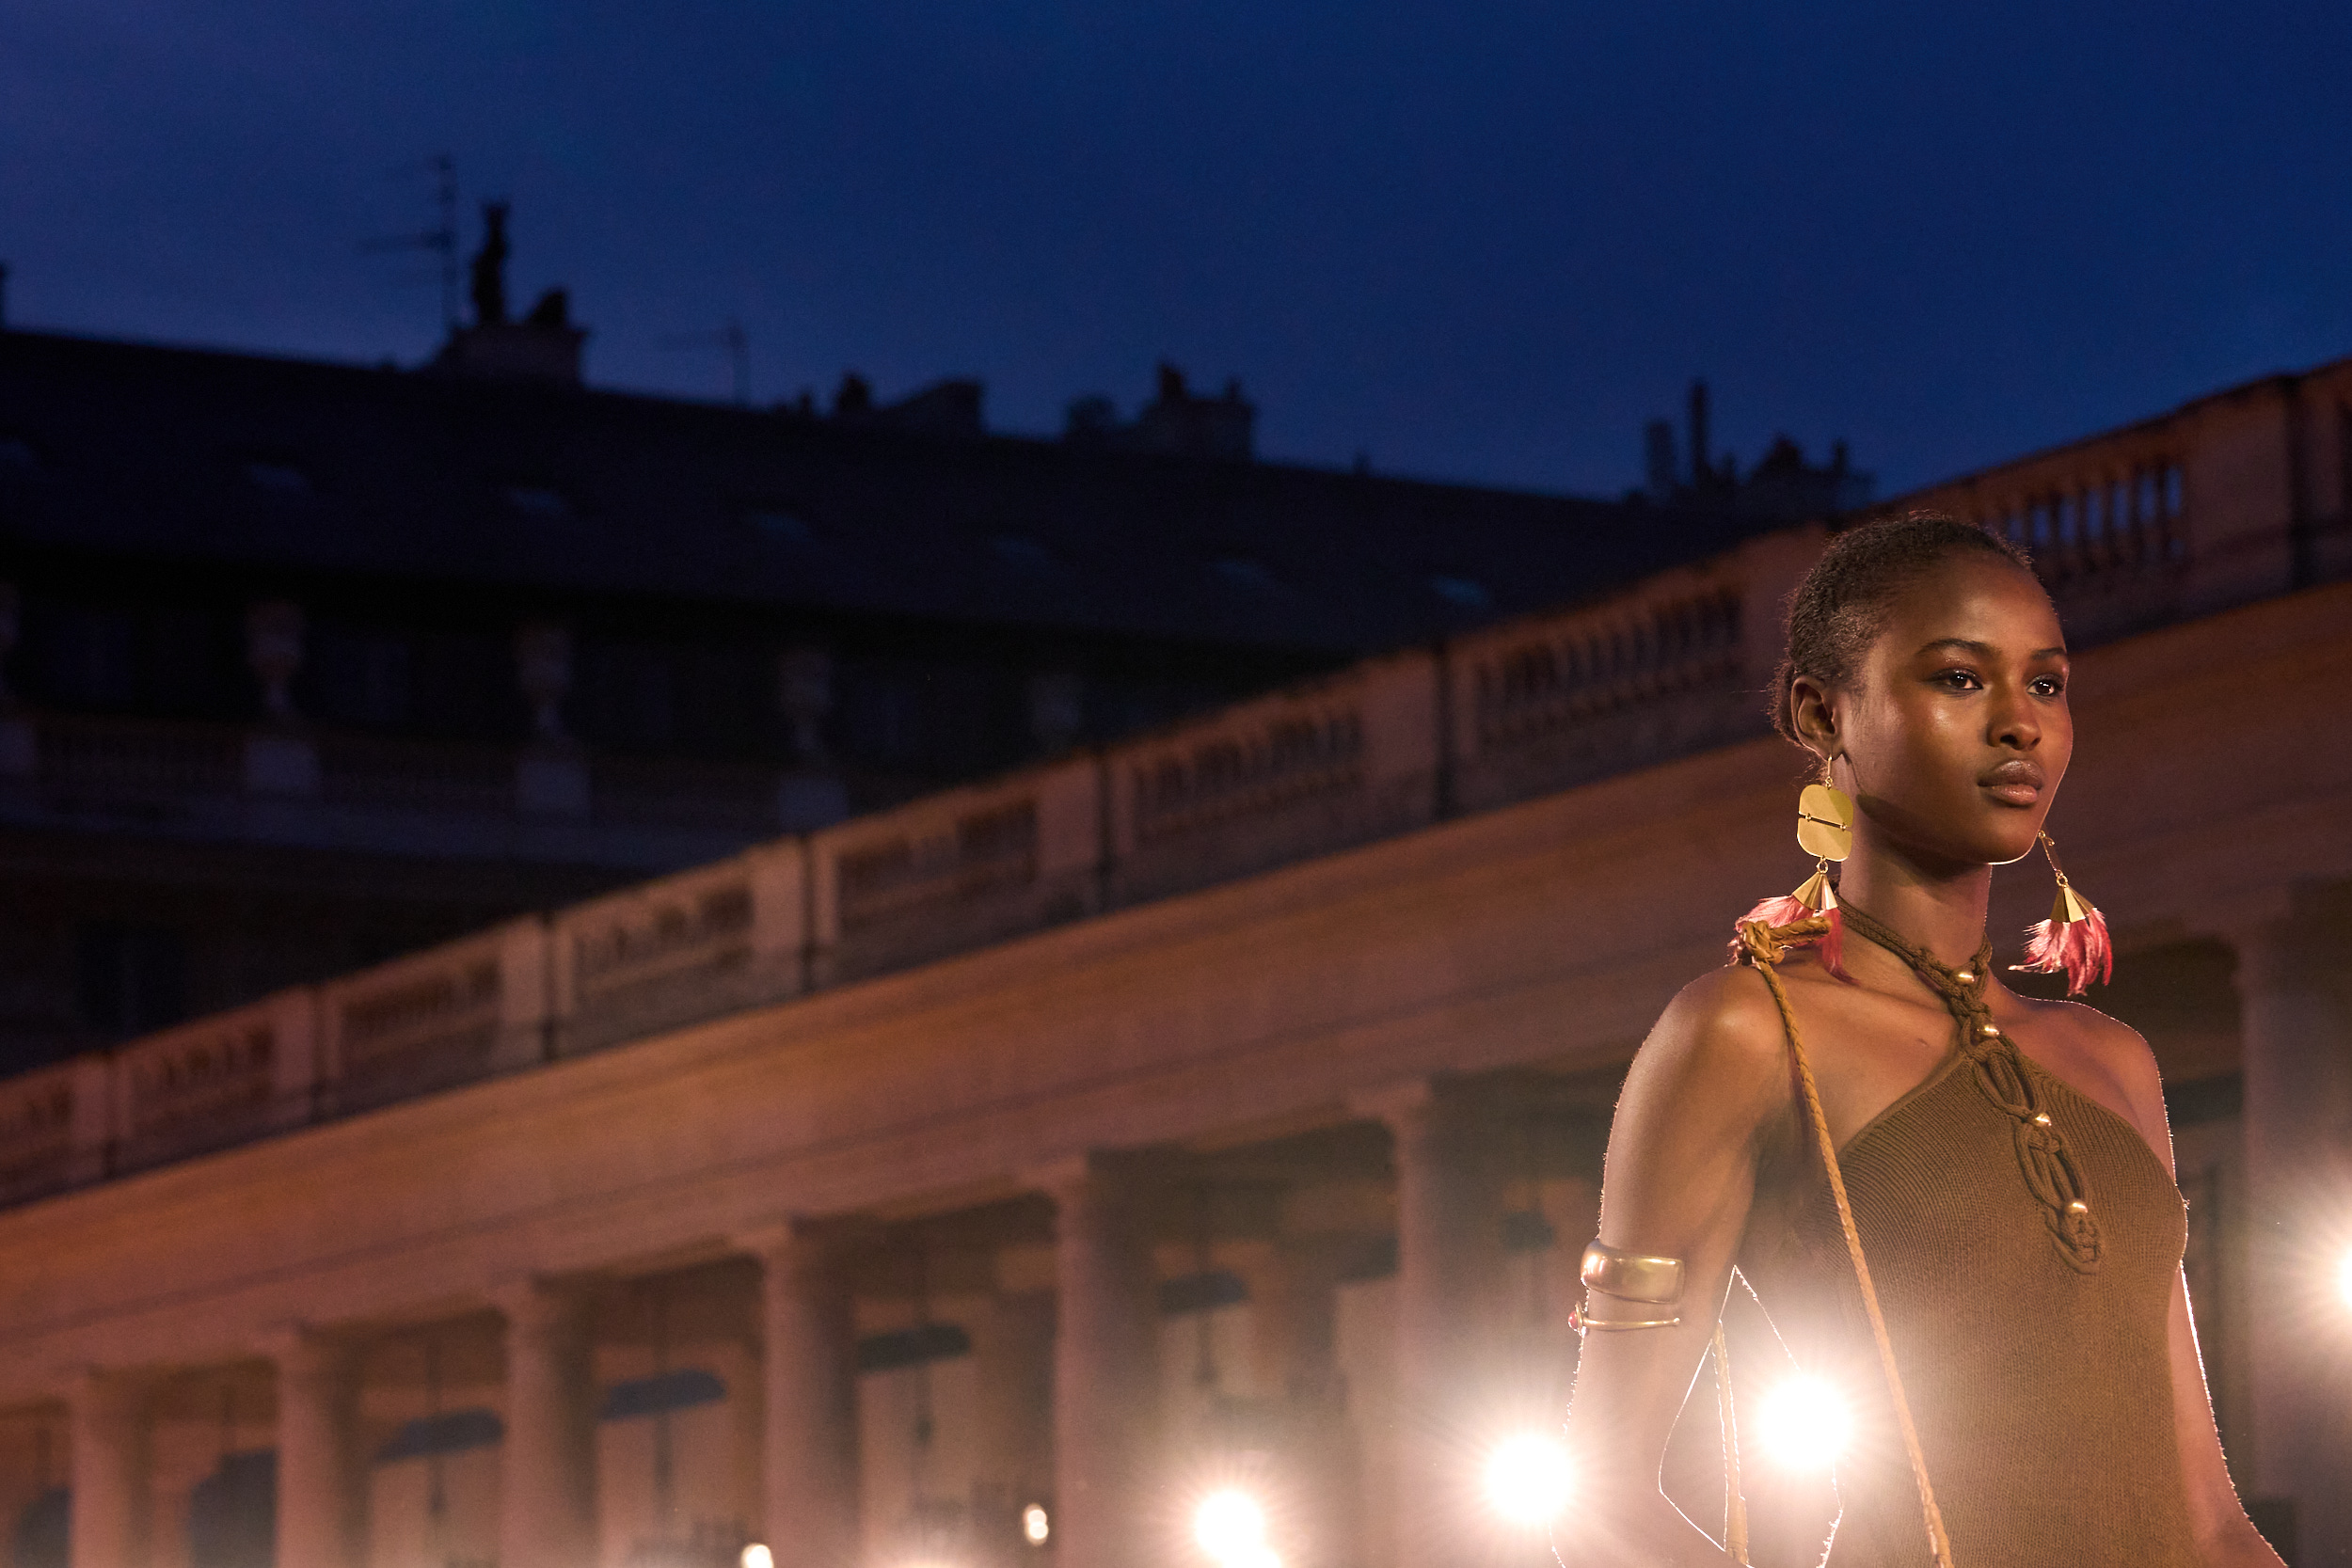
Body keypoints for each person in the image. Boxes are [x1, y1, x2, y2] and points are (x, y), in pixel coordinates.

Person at [1558, 514, 2281, 1567]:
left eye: (2044, 683)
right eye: (1956, 678)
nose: (2019, 724)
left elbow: (2208, 1518)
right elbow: (1597, 1501)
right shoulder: (1745, 1031)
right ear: (1824, 710)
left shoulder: (2110, 1059)